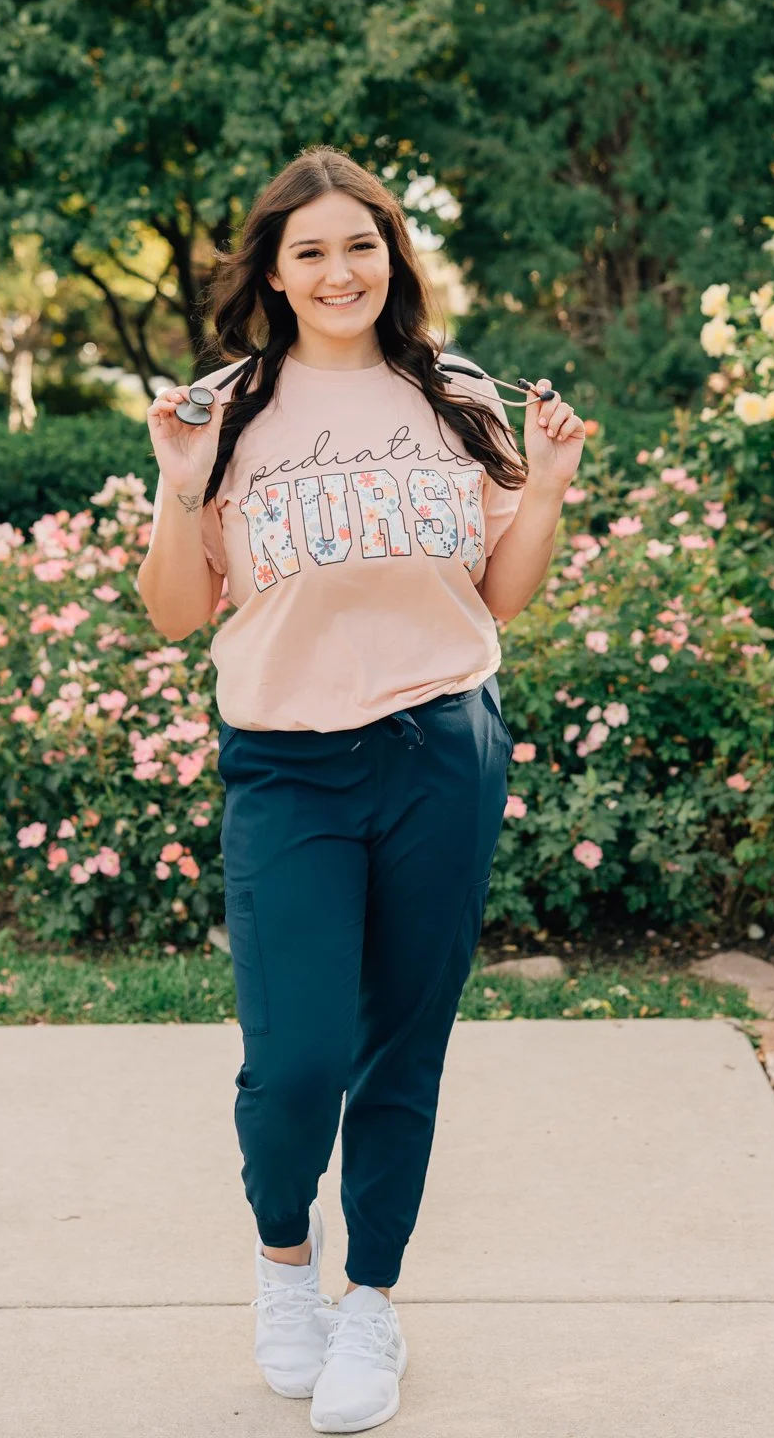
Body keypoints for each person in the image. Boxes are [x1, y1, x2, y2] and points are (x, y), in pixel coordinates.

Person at [136, 145, 584, 1434]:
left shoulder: (457, 397)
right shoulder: (220, 412)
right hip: (288, 766)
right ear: (273, 274)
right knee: (297, 1061)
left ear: (394, 255)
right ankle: (288, 1264)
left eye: (363, 245)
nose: (342, 271)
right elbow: (177, 614)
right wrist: (178, 493)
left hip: (443, 751)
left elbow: (498, 596)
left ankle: (372, 1302)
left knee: (403, 1046)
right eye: (312, 251)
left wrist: (543, 489)